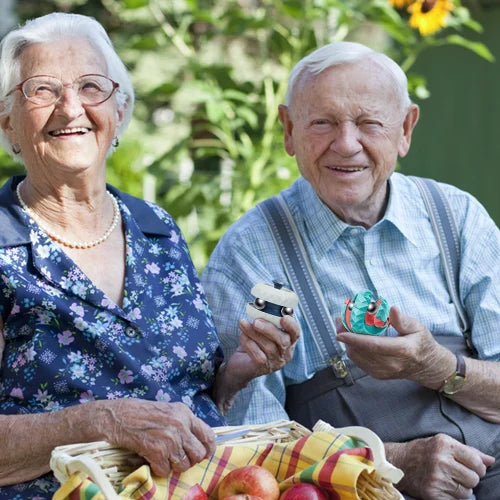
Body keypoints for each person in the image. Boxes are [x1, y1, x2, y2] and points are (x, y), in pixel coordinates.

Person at [0, 13, 300, 499]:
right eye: (42, 90)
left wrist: (238, 371)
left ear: (118, 112)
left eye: (91, 86)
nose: (70, 107)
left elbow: (187, 397)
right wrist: (100, 422)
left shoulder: (155, 228)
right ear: (8, 120)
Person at [202, 41, 500, 500]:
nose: (346, 144)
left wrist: (435, 364)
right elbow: (250, 446)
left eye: (368, 123)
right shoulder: (251, 253)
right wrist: (389, 463)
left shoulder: (457, 218)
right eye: (322, 122)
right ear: (288, 129)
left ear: (405, 129)